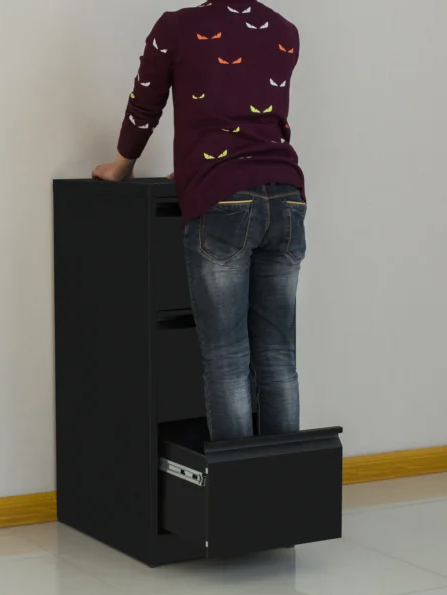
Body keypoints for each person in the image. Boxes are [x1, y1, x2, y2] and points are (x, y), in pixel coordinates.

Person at [93, 0, 306, 442]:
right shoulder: (285, 31)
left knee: (227, 356)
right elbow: (248, 109)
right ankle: (284, 493)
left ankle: (239, 499)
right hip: (286, 196)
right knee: (278, 355)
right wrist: (195, 165)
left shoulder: (178, 27)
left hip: (224, 202)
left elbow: (145, 102)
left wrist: (121, 165)